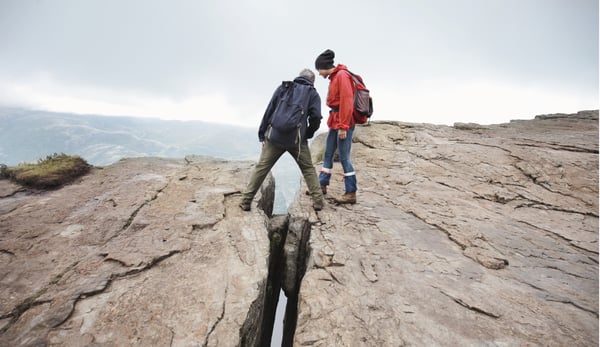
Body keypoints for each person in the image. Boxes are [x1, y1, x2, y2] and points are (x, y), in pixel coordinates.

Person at [240, 68, 324, 211]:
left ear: (299, 77)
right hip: (297, 141)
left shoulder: (284, 88)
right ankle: (318, 202)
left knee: (261, 168)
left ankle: (246, 201)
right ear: (312, 80)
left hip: (275, 137)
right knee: (308, 169)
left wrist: (262, 134)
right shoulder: (312, 94)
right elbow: (316, 117)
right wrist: (307, 133)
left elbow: (270, 110)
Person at [314, 49, 357, 204]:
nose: (319, 73)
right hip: (335, 121)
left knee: (344, 156)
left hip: (342, 122)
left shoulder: (342, 76)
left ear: (324, 66)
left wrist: (343, 126)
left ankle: (351, 192)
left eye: (319, 69)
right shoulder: (335, 77)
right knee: (328, 152)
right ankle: (322, 184)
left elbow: (347, 101)